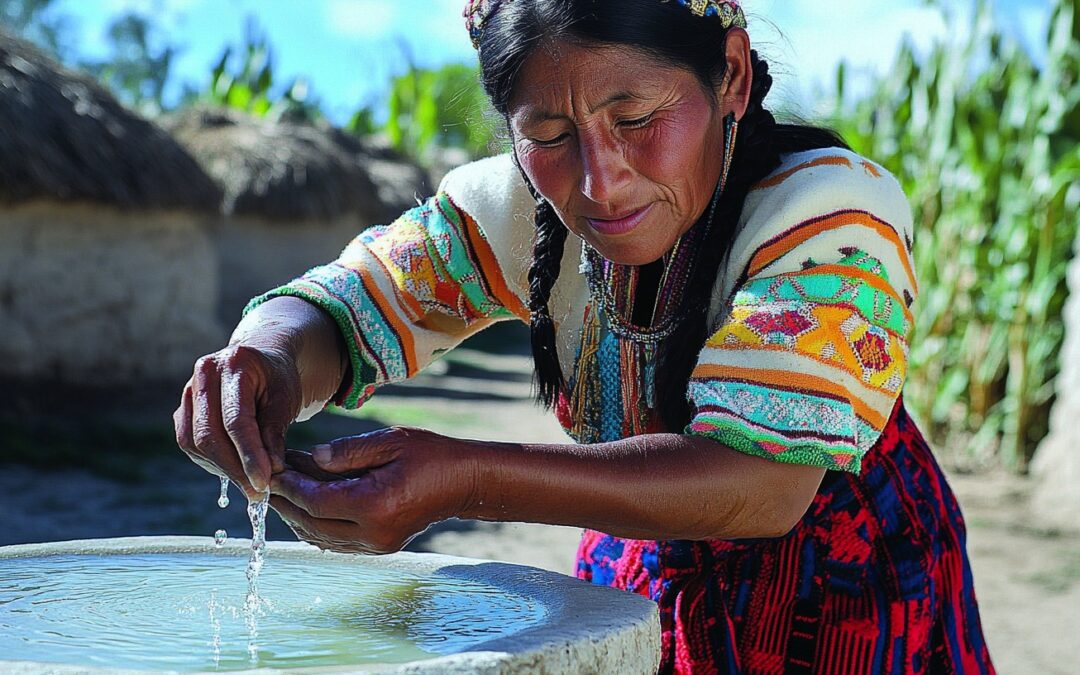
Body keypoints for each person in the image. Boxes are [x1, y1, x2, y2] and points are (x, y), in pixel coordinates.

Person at [173, 1, 996, 672]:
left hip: (847, 589)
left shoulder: (829, 218)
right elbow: (344, 308)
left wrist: (467, 479)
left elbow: (767, 485)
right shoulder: (515, 212)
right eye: (551, 135)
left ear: (732, 76)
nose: (602, 181)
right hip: (642, 558)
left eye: (636, 116)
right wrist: (265, 357)